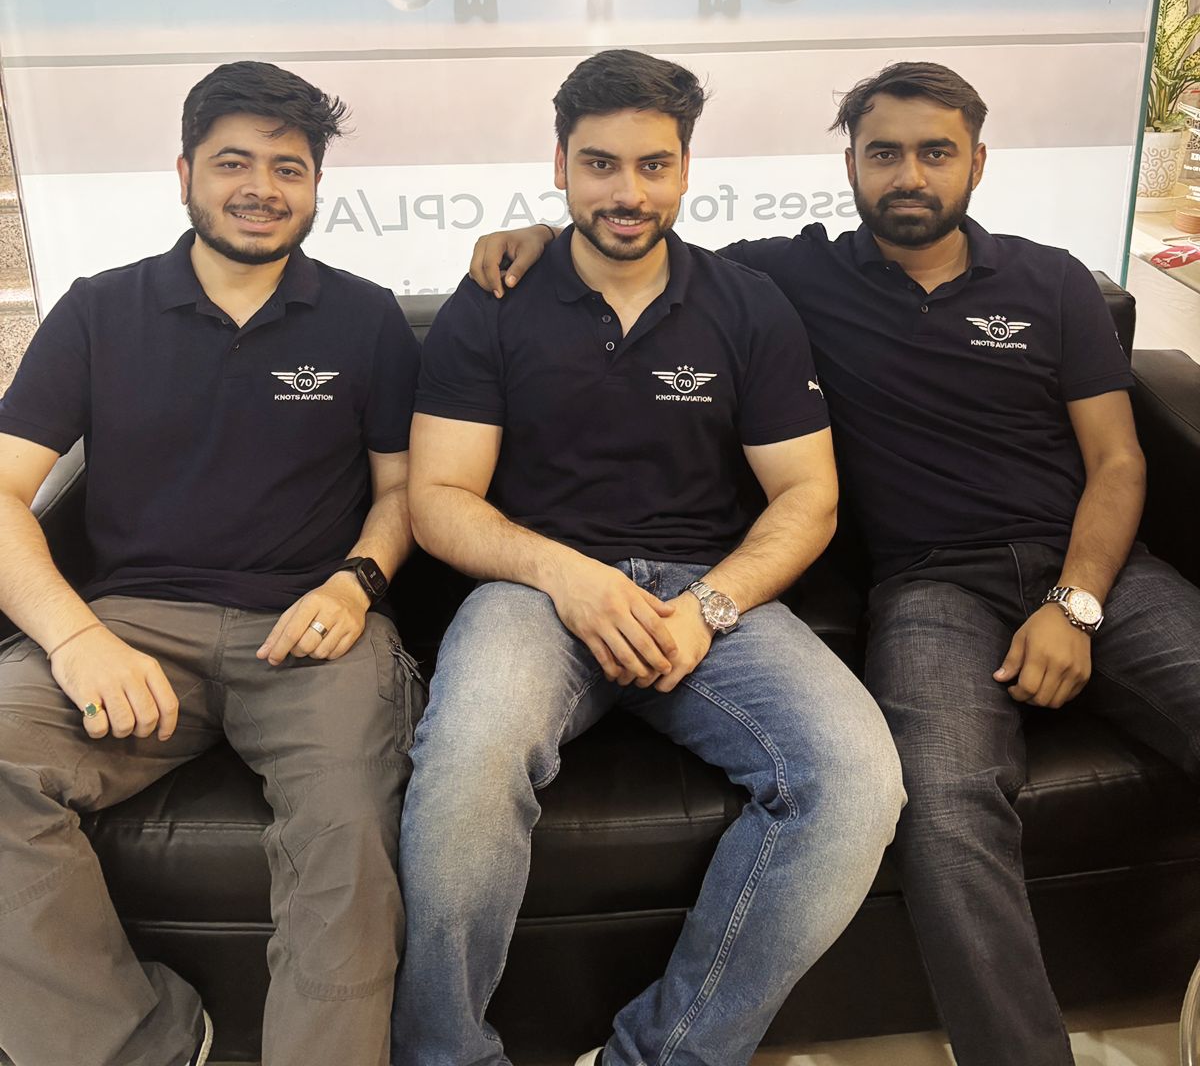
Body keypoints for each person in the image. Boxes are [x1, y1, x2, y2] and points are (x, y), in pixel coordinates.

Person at [468, 58, 1200, 1066]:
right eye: (883, 153)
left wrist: (1075, 604)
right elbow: (636, 240)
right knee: (943, 811)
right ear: (851, 165)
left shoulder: (1052, 279)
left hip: (1101, 571)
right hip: (932, 590)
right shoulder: (791, 278)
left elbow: (1119, 461)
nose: (910, 175)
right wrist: (541, 235)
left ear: (979, 161)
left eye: (935, 152)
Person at [392, 47, 903, 1066]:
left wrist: (709, 607)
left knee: (856, 781)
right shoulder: (494, 300)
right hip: (536, 591)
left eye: (653, 165)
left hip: (707, 599)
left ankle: (665, 1056)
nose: (628, 192)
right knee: (466, 764)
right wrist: (568, 576)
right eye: (600, 164)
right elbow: (437, 500)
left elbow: (809, 497)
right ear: (560, 165)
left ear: (685, 168)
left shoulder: (746, 304)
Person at [0, 60, 422, 1066]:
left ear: (315, 187)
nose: (261, 187)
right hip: (131, 628)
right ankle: (137, 1043)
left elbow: (407, 491)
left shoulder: (366, 318)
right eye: (234, 162)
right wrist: (76, 639)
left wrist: (356, 580)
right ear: (184, 172)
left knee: (348, 832)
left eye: (289, 167)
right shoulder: (99, 311)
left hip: (314, 630)